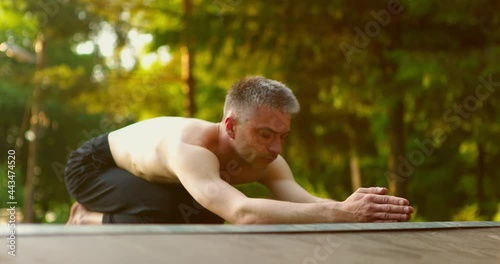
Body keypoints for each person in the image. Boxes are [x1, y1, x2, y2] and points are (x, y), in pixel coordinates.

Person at [65, 76, 414, 224]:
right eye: (265, 135)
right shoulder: (191, 149)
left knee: (203, 215)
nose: (276, 148)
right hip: (94, 167)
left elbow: (300, 199)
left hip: (153, 179)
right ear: (230, 126)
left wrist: (354, 208)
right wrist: (340, 215)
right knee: (166, 209)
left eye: (283, 136)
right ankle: (87, 217)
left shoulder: (266, 156)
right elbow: (243, 213)